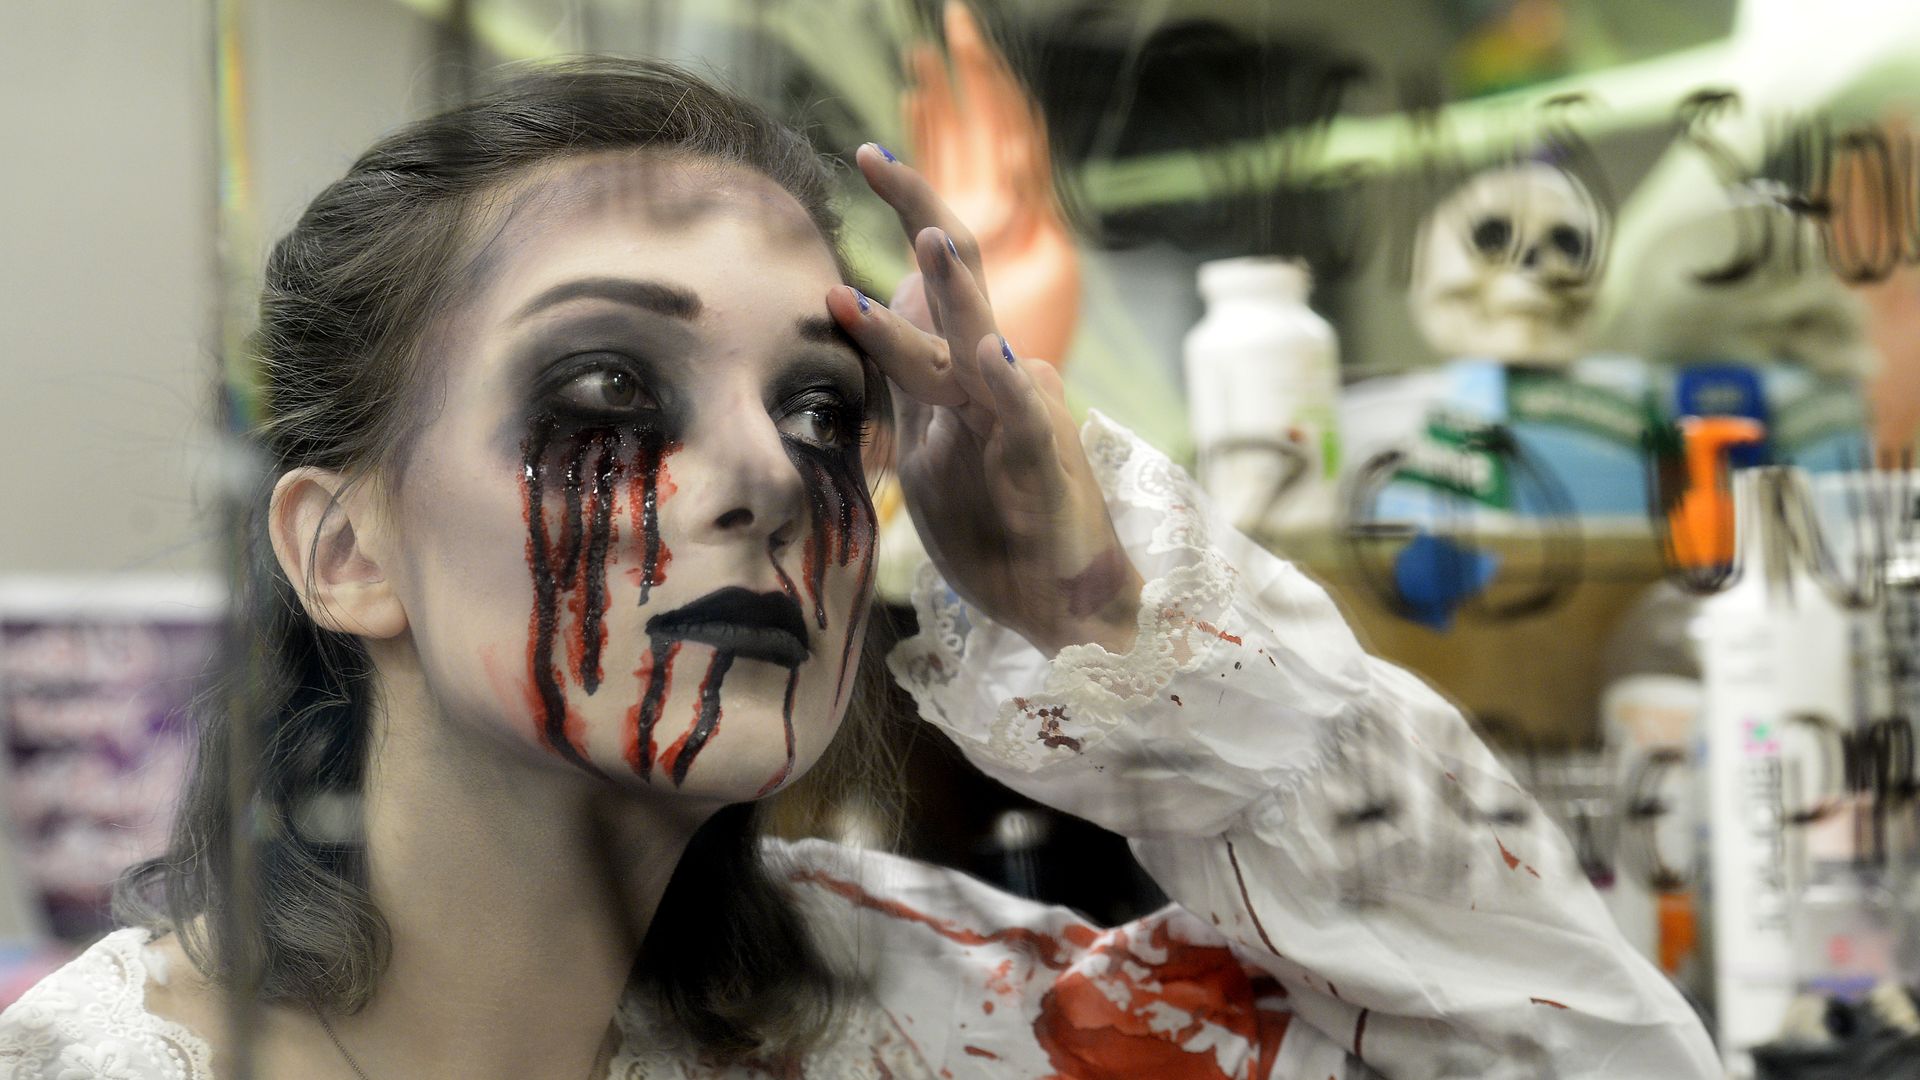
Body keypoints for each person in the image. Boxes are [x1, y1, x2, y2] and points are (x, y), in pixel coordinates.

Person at [0, 58, 1718, 1080]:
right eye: (609, 391)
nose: (764, 471)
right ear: (343, 548)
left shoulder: (946, 1015)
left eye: (823, 405)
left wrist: (1108, 611)